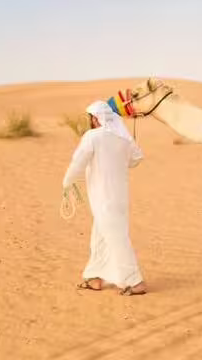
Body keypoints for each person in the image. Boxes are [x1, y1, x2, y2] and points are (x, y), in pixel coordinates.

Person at [62, 100, 147, 295]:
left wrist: (67, 182)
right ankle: (94, 277)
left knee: (117, 238)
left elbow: (78, 162)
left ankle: (135, 282)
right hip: (119, 197)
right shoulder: (123, 138)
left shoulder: (92, 137)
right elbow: (136, 158)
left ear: (95, 118)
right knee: (100, 235)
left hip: (103, 198)